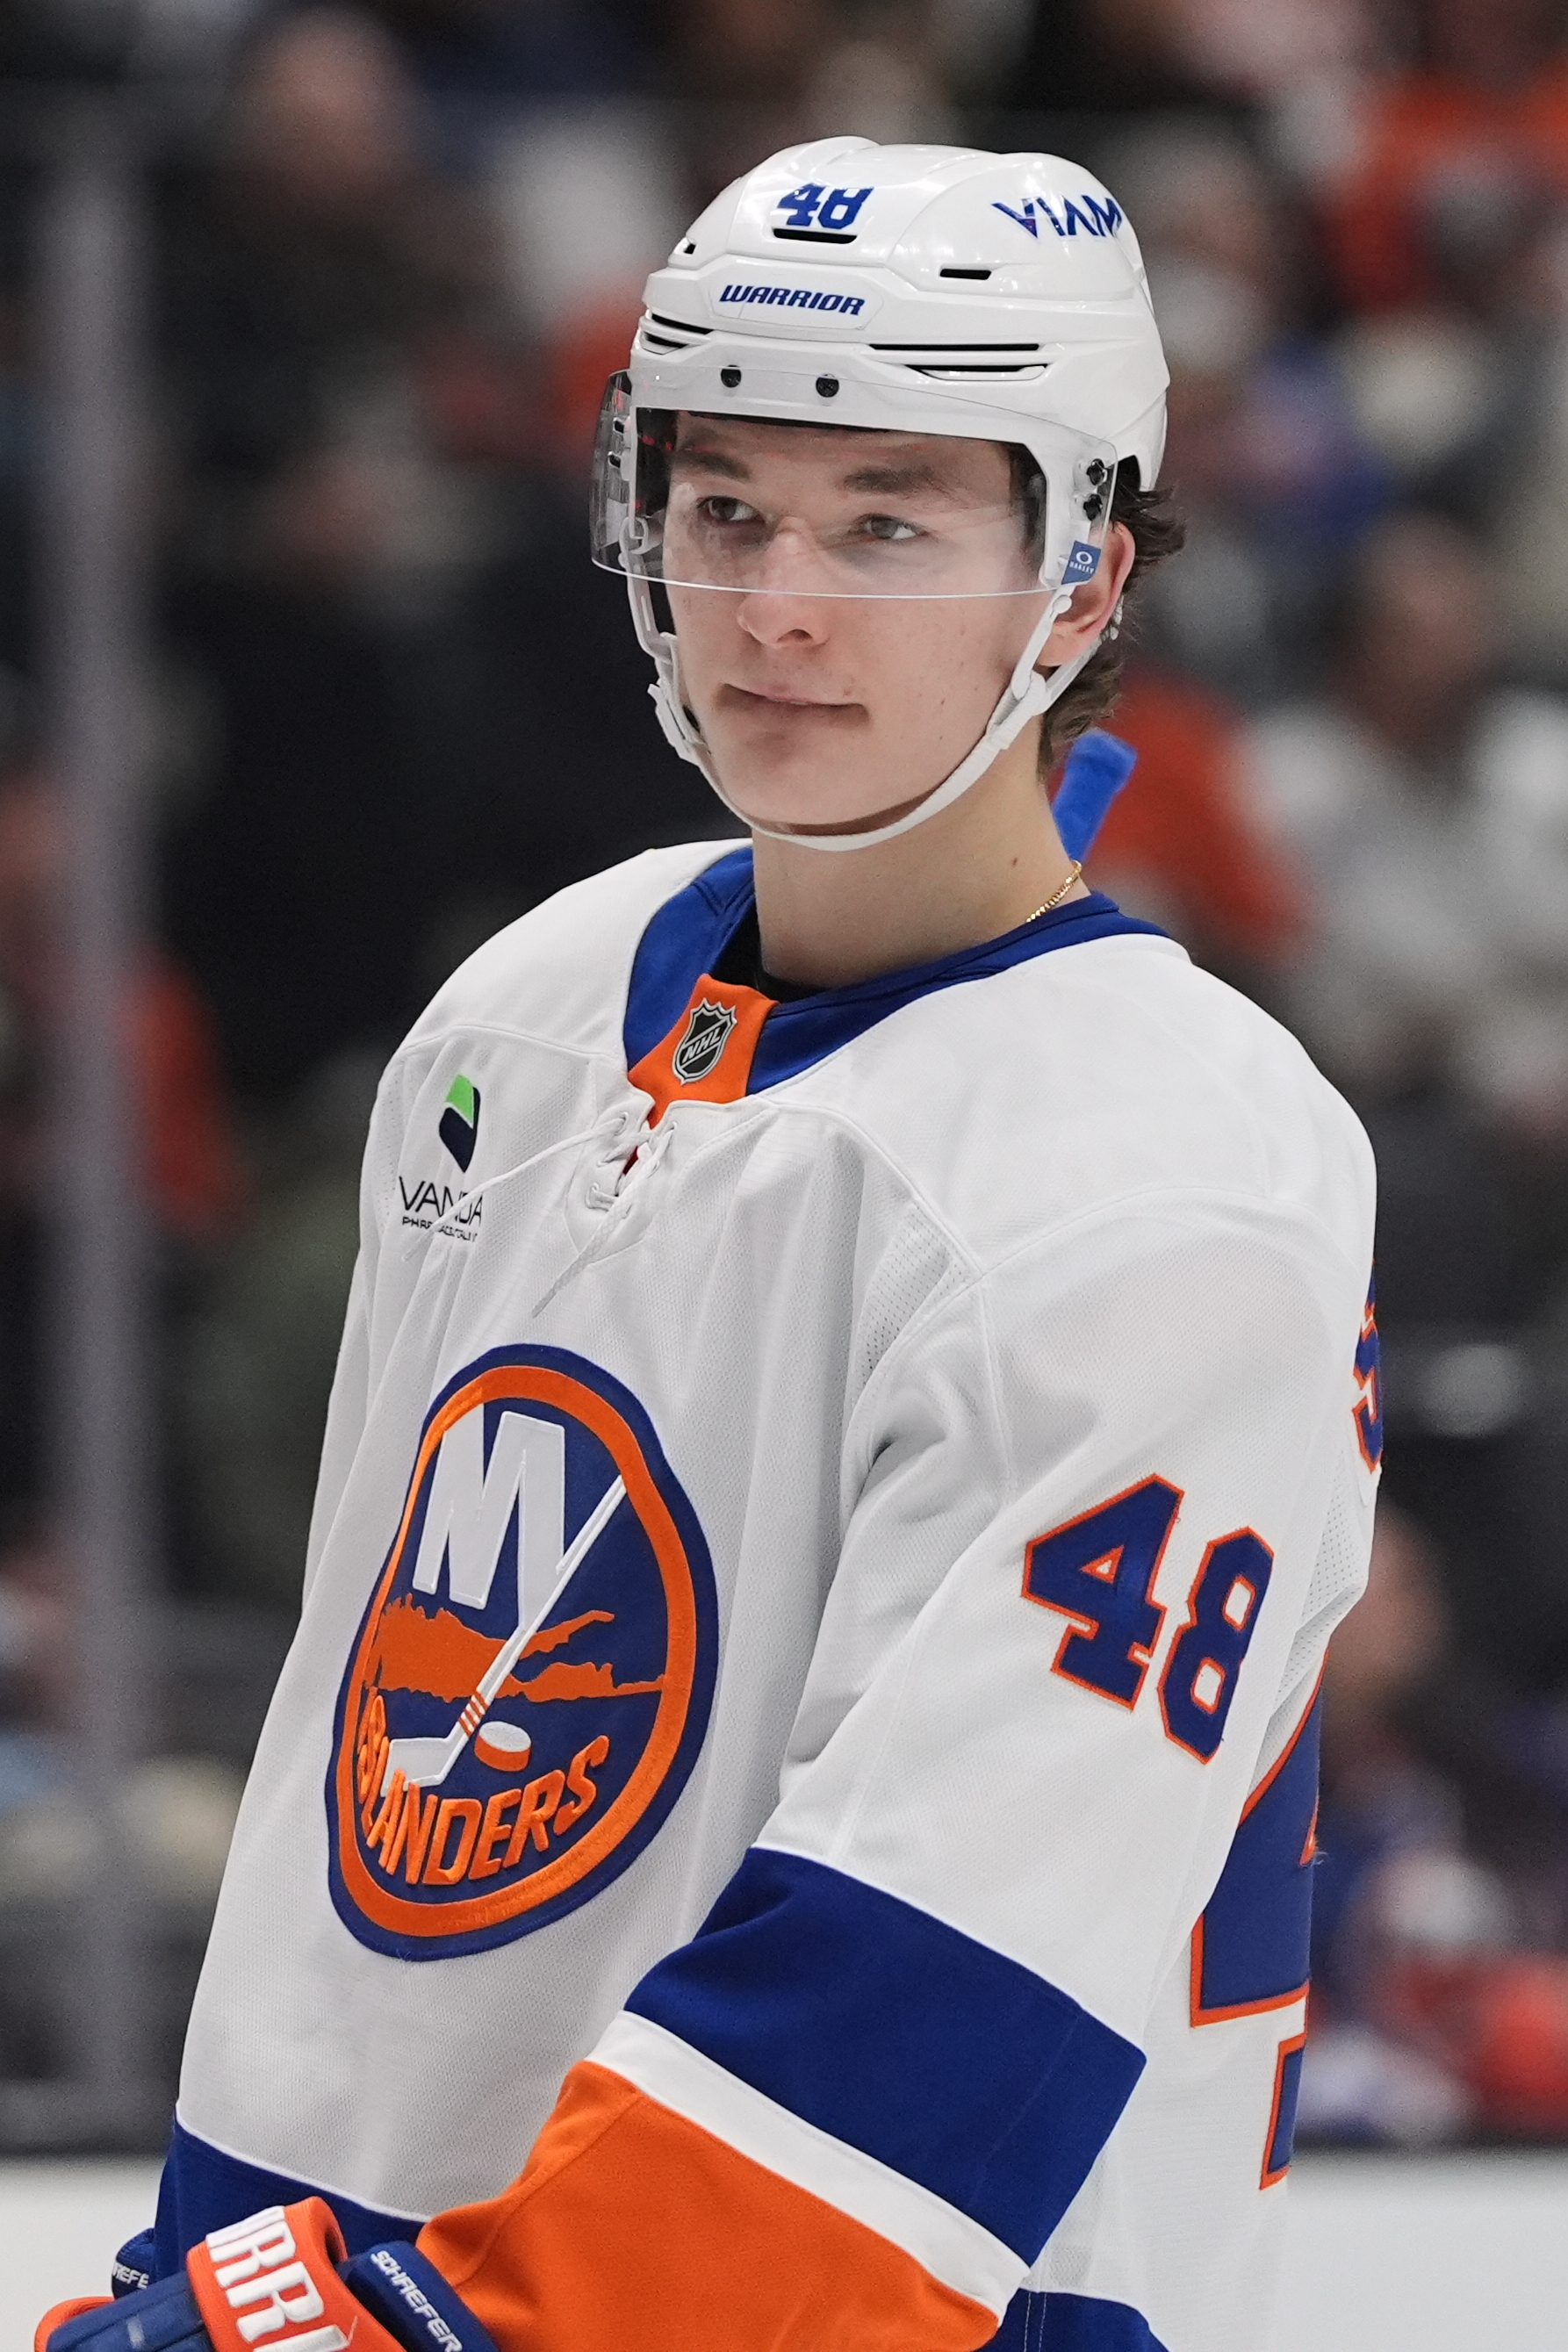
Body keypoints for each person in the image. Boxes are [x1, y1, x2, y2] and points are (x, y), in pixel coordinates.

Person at [40, 138, 1378, 2352]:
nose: (774, 604)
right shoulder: (532, 1006)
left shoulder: (1170, 1175)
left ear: (1078, 575)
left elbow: (925, 1998)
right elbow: (360, 1844)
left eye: (885, 523)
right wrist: (221, 2275)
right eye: (726, 505)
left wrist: (381, 2328)